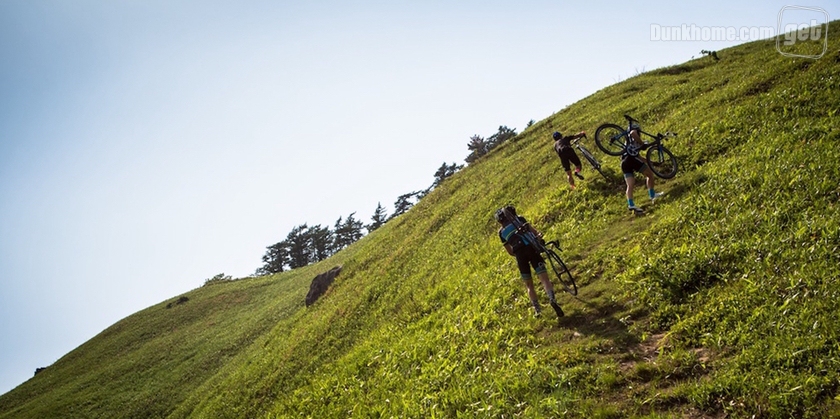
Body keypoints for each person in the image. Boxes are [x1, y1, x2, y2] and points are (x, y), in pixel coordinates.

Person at [494, 206, 564, 318]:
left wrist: (518, 252)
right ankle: (552, 299)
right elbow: (535, 232)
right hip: (531, 249)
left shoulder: (501, 233)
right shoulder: (520, 220)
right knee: (544, 278)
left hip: (520, 256)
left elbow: (510, 252)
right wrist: (539, 238)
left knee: (529, 285)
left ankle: (537, 310)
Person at [622, 123, 663, 214]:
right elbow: (633, 132)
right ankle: (652, 195)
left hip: (624, 162)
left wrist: (652, 162)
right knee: (650, 175)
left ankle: (631, 204)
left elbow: (639, 158)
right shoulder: (634, 135)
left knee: (630, 184)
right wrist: (642, 143)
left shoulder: (627, 143)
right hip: (631, 159)